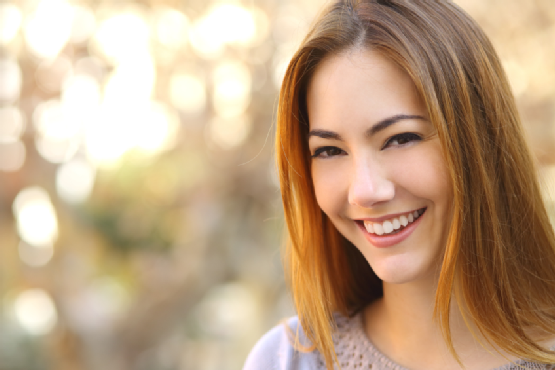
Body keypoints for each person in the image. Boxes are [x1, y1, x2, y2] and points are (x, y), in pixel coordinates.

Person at [244, 0, 555, 369]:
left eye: (400, 138)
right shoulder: (287, 359)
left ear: (480, 138)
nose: (365, 191)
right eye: (329, 150)